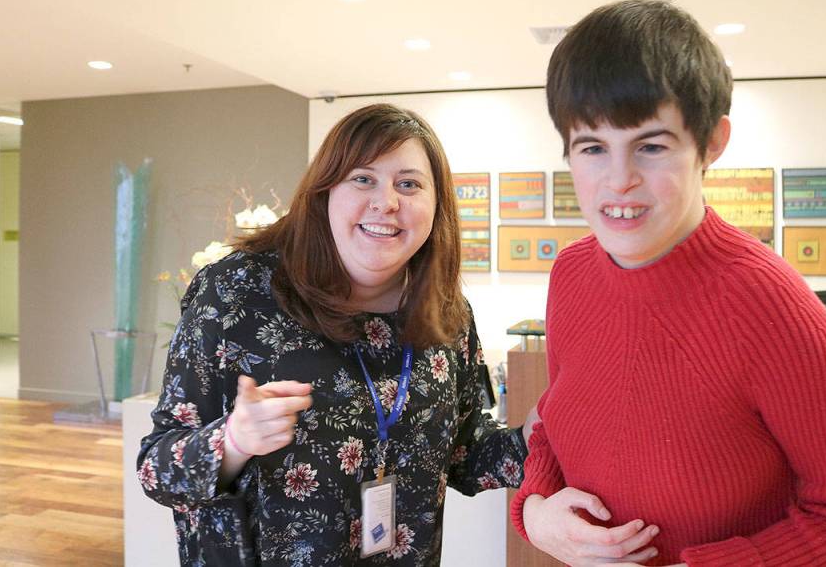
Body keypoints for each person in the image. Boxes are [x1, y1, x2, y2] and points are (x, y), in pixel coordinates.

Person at [510, 0, 826, 566]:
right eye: (593, 148)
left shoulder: (767, 300)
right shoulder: (572, 272)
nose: (618, 181)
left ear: (711, 143)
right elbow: (557, 417)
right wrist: (535, 509)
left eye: (651, 146)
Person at [139, 104, 535, 566]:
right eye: (363, 179)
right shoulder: (235, 292)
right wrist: (232, 440)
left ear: (437, 207)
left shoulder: (446, 314)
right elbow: (156, 470)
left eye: (408, 184)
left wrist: (535, 437)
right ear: (324, 192)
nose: (386, 202)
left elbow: (464, 454)